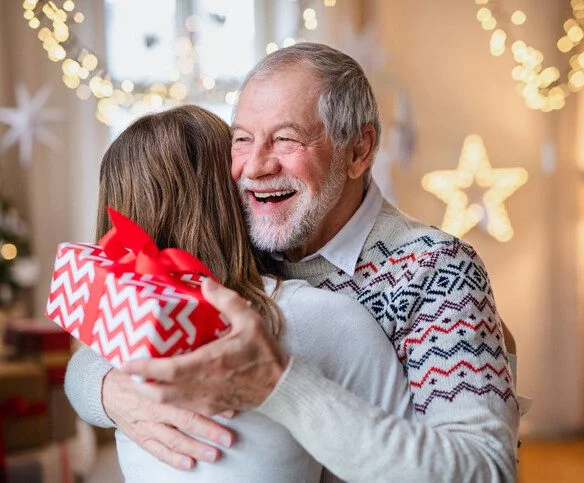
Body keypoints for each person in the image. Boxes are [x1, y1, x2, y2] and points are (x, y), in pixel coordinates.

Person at [66, 43, 520, 481]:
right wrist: (108, 392)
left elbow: (486, 471)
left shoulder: (436, 269)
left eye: (286, 139)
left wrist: (281, 387)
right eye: (242, 139)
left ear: (359, 151)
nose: (256, 166)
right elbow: (94, 350)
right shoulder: (240, 239)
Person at [67, 104, 413, 482]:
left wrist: (99, 389)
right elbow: (407, 463)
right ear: (231, 194)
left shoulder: (117, 330)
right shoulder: (312, 317)